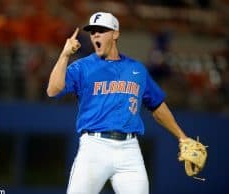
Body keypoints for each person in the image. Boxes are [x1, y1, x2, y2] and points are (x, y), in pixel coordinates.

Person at [47, 12, 191, 194]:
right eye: (93, 32)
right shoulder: (82, 67)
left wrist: (182, 136)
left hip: (129, 150)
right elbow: (53, 90)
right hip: (94, 147)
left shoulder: (136, 69)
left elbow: (157, 106)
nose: (96, 35)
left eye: (102, 30)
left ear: (115, 34)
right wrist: (64, 55)